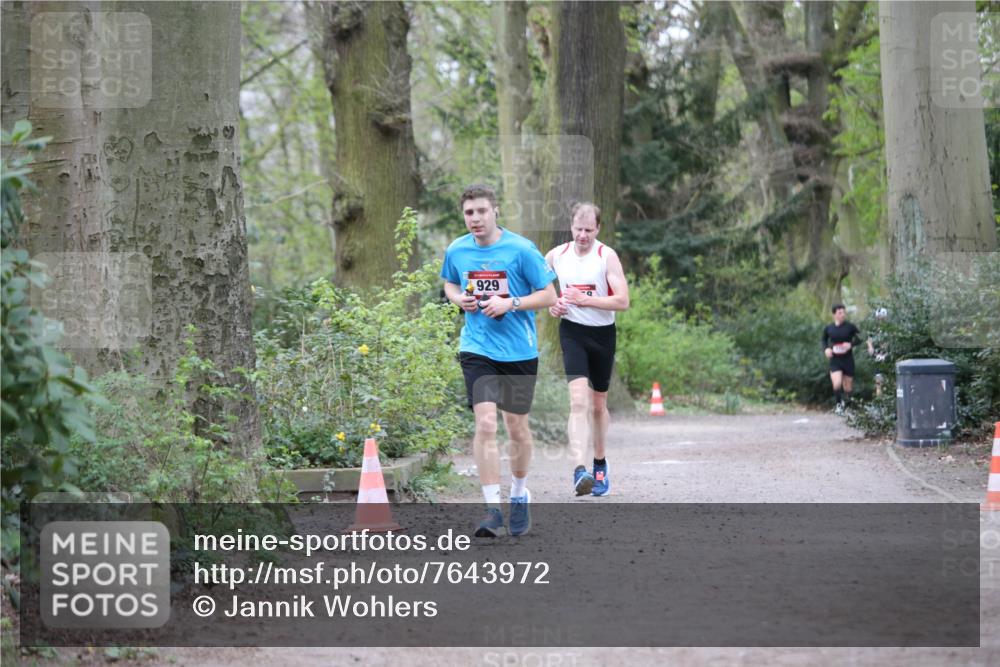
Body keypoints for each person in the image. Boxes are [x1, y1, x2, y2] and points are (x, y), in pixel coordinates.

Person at [441, 184, 557, 537]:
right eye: (469, 213)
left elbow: (549, 295)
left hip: (519, 351)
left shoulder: (521, 249)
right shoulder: (457, 250)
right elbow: (449, 284)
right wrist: (459, 299)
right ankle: (492, 509)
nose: (475, 218)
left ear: (495, 212)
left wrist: (511, 303)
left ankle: (519, 494)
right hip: (477, 348)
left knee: (516, 428)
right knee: (486, 424)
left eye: (481, 211)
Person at [545, 203, 629, 497]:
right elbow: (539, 288)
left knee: (597, 406)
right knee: (578, 401)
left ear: (598, 229)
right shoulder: (556, 256)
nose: (583, 235)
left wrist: (585, 300)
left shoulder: (607, 256)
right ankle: (579, 471)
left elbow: (623, 301)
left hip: (603, 335)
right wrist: (553, 304)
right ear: (571, 227)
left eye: (589, 230)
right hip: (572, 333)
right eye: (578, 229)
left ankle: (600, 463)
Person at [822, 304, 874, 413]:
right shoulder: (829, 328)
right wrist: (826, 349)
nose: (842, 315)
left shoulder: (850, 327)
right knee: (837, 383)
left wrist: (851, 344)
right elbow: (824, 340)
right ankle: (838, 405)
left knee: (847, 387)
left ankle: (849, 407)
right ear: (834, 314)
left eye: (843, 312)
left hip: (847, 360)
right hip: (835, 360)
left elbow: (860, 338)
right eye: (840, 313)